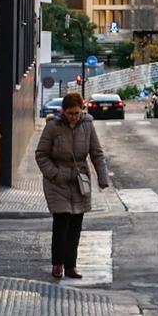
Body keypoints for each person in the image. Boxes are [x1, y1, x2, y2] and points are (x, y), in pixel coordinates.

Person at [34, 91, 110, 279]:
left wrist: (103, 178)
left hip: (79, 181)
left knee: (76, 223)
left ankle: (71, 265)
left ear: (82, 111)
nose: (73, 117)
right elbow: (41, 154)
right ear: (63, 112)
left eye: (76, 113)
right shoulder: (53, 127)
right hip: (57, 181)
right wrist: (55, 173)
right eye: (70, 113)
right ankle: (57, 264)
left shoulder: (87, 125)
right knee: (61, 222)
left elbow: (96, 153)